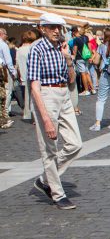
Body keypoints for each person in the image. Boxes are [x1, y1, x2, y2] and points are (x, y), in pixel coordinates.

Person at [27, 13, 83, 209]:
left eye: (59, 27)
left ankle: (45, 179)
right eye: (52, 27)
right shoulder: (37, 49)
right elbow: (34, 85)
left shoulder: (62, 47)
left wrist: (68, 59)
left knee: (75, 144)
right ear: (42, 28)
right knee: (49, 149)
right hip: (46, 94)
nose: (56, 30)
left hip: (63, 94)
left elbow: (70, 79)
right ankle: (58, 193)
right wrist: (45, 119)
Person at [15, 30, 36, 123]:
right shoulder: (33, 48)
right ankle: (35, 117)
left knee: (27, 97)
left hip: (23, 76)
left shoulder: (19, 50)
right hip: (33, 76)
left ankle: (29, 114)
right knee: (35, 97)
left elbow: (17, 65)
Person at [72, 25, 95, 96]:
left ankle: (86, 90)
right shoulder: (86, 37)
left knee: (83, 74)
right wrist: (90, 56)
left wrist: (74, 56)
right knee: (87, 73)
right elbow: (90, 47)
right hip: (86, 57)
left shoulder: (76, 39)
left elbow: (75, 50)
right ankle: (93, 89)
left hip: (79, 58)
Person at [0, 28, 14, 128]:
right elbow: (8, 61)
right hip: (3, 70)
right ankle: (5, 115)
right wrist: (13, 72)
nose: (7, 36)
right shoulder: (3, 45)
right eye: (6, 34)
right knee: (6, 93)